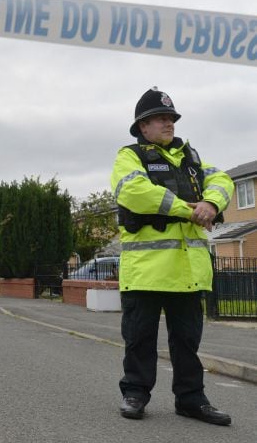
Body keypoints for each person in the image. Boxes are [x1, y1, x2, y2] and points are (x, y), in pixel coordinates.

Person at [111, 87, 232, 426]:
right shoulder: (129, 157)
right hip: (146, 272)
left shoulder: (192, 159)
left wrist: (211, 204)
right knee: (139, 340)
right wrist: (188, 210)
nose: (169, 123)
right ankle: (135, 394)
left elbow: (222, 180)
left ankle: (192, 400)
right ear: (142, 127)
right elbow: (135, 192)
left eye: (171, 118)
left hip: (189, 273)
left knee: (187, 343)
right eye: (160, 118)